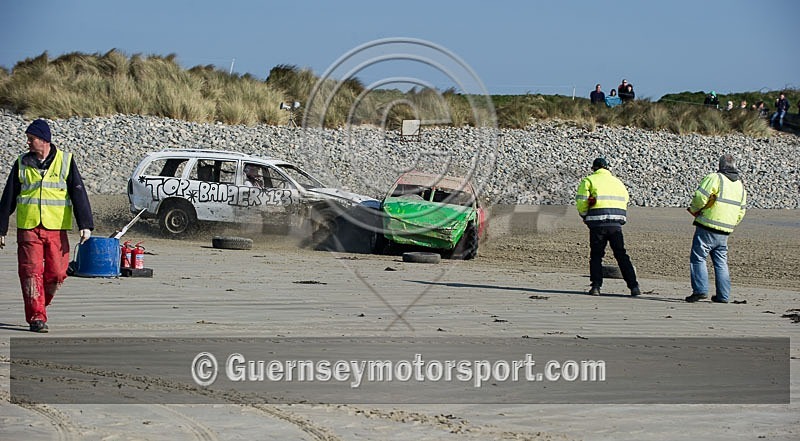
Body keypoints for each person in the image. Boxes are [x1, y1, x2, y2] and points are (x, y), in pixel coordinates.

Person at [0, 119, 94, 332]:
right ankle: (36, 317)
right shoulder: (21, 163)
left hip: (56, 228)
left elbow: (78, 192)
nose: (27, 142)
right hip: (28, 229)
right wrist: (1, 228)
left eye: (31, 138)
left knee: (58, 274)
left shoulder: (65, 161)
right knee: (30, 272)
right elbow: (8, 197)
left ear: (44, 140)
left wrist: (86, 224)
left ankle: (40, 304)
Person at [685, 154, 747, 304]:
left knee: (698, 257)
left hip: (708, 225)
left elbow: (700, 197)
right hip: (725, 229)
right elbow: (741, 211)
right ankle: (723, 295)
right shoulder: (740, 185)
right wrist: (731, 223)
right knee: (721, 262)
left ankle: (700, 290)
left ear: (720, 165)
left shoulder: (715, 178)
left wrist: (694, 209)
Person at [575, 157, 640, 296]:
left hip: (597, 223)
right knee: (621, 255)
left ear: (594, 168)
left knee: (596, 255)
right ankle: (634, 287)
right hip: (616, 224)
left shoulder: (589, 180)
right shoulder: (617, 182)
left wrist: (584, 216)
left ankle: (596, 286)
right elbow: (625, 199)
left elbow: (581, 201)